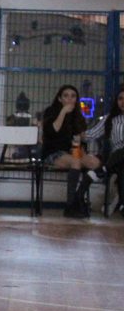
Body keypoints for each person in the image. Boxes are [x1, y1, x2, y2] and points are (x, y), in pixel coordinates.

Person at [42, 84, 103, 218]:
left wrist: (82, 151)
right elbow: (53, 131)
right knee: (76, 162)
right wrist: (63, 112)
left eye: (73, 96)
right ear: (60, 99)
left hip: (74, 151)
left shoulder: (79, 116)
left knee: (95, 163)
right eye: (66, 96)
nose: (70, 99)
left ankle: (79, 196)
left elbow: (81, 139)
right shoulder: (51, 112)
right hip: (54, 152)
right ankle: (70, 206)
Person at [88, 84, 124, 215]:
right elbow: (92, 133)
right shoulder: (110, 119)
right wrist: (76, 135)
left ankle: (103, 170)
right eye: (120, 98)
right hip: (117, 158)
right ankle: (122, 203)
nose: (123, 102)